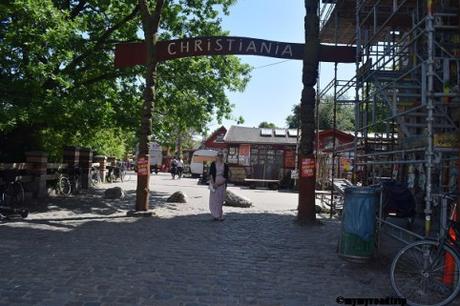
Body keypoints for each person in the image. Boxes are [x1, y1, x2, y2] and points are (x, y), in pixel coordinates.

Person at [209, 151, 228, 221]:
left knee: (220, 200)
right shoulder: (213, 164)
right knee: (213, 200)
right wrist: (213, 183)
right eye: (218, 155)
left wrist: (219, 184)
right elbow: (211, 174)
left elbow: (226, 177)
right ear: (216, 156)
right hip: (213, 182)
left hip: (221, 183)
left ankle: (220, 215)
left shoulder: (225, 165)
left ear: (223, 157)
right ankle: (214, 214)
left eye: (221, 156)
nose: (220, 157)